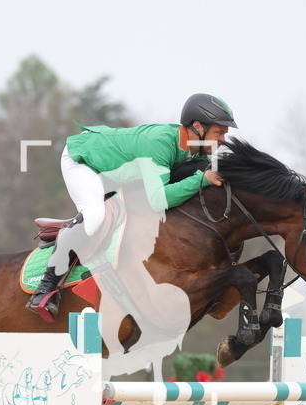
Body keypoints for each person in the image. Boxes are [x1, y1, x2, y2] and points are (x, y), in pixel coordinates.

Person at [27, 93, 238, 321]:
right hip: (82, 159)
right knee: (95, 215)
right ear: (197, 126)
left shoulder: (189, 147)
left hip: (112, 167)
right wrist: (203, 179)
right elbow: (158, 199)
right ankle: (45, 288)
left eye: (225, 133)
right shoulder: (161, 143)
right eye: (219, 132)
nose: (223, 140)